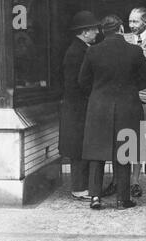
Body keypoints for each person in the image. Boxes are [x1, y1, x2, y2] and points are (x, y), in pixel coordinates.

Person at [78, 14, 146, 210]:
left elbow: (83, 82)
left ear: (103, 31)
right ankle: (122, 199)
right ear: (121, 29)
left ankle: (95, 197)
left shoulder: (93, 52)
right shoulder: (135, 51)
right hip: (127, 107)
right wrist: (129, 88)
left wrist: (97, 94)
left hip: (98, 108)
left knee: (97, 153)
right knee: (125, 153)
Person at [102, 7, 146, 198]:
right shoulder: (124, 39)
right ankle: (117, 181)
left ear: (145, 21)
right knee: (121, 137)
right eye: (129, 22)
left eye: (135, 22)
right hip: (123, 94)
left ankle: (134, 182)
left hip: (144, 94)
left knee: (139, 138)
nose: (131, 25)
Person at [58, 11, 100, 201]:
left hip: (76, 108)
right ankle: (79, 188)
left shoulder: (77, 49)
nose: (97, 32)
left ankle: (82, 186)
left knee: (80, 148)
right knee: (79, 150)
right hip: (78, 109)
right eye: (94, 29)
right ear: (84, 32)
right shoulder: (79, 52)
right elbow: (79, 83)